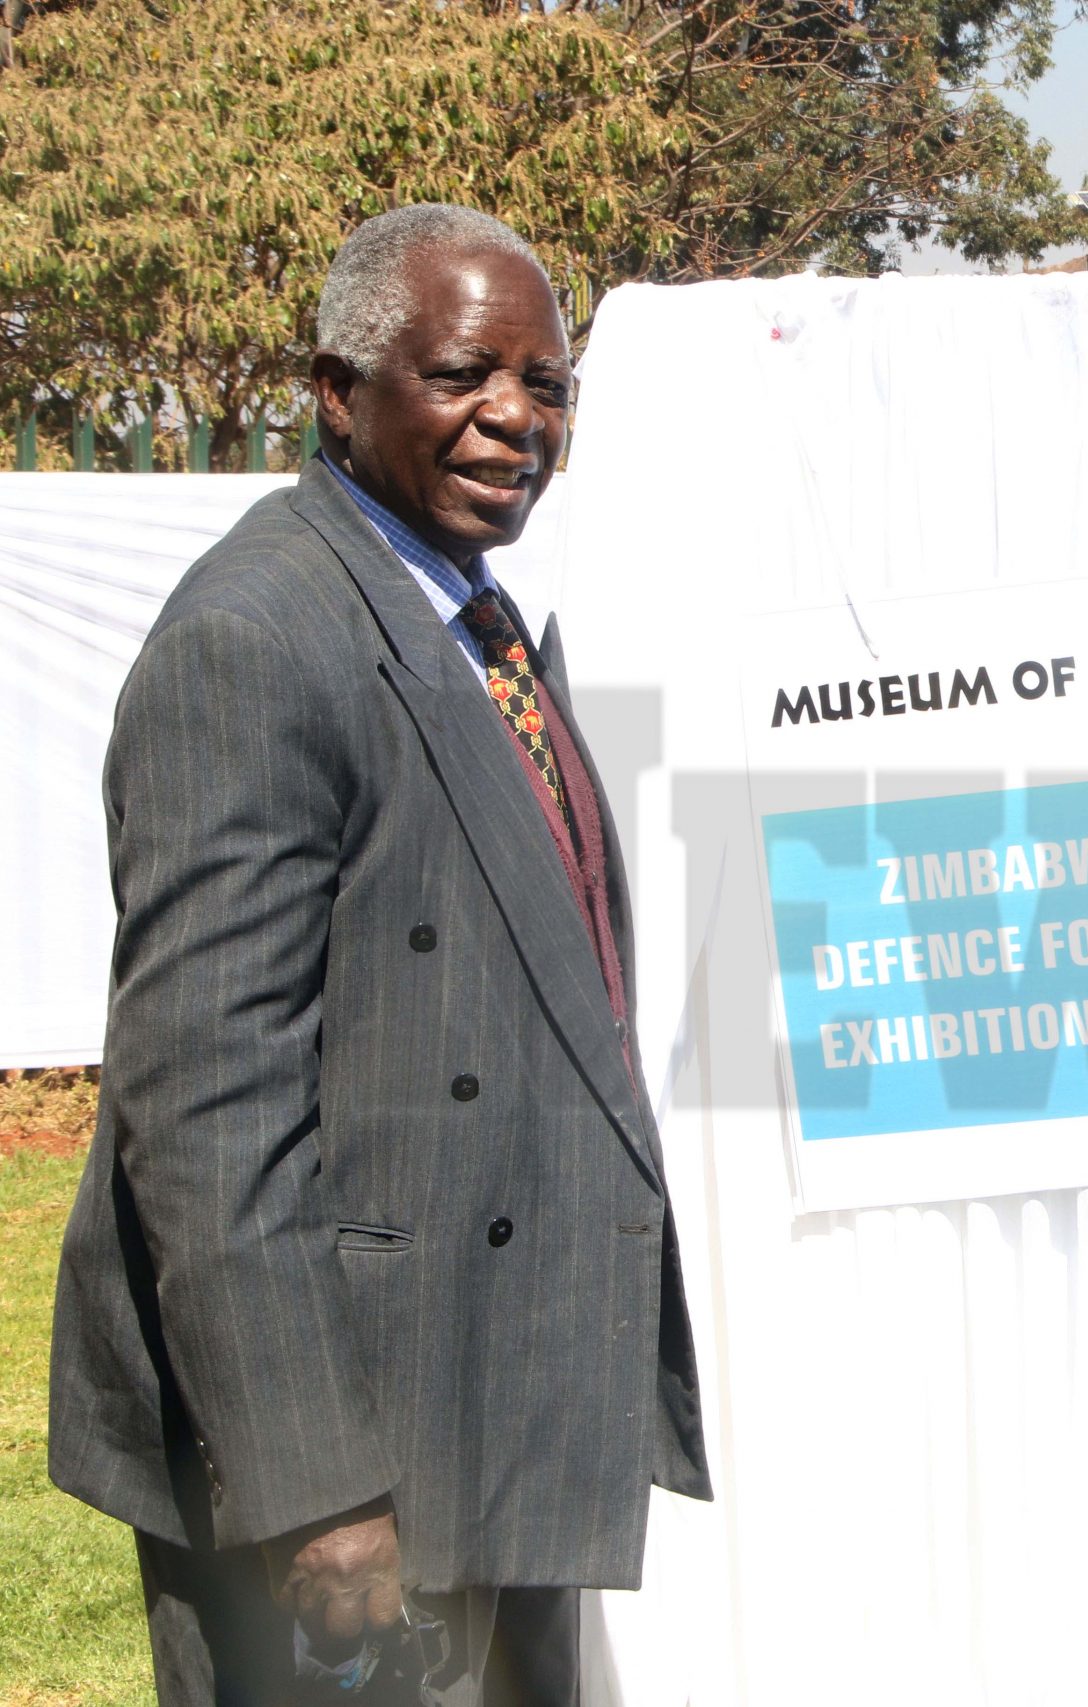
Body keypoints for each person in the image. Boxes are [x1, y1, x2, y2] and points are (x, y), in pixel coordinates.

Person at [48, 205, 710, 1704]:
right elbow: (203, 1104)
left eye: (548, 385)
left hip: (490, 1403)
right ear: (339, 394)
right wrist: (315, 1488)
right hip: (355, 1453)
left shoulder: (466, 613)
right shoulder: (258, 639)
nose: (516, 418)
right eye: (464, 374)